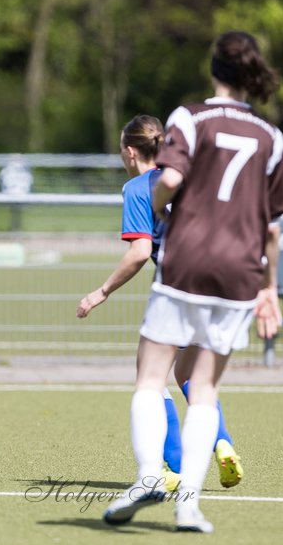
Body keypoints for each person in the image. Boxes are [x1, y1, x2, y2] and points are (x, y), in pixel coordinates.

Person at [102, 30, 283, 534]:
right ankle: (189, 505)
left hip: (187, 260)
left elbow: (168, 180)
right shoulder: (271, 136)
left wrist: (161, 210)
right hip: (240, 272)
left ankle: (147, 477)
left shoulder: (190, 117)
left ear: (213, 70)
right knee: (203, 387)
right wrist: (268, 288)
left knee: (150, 374)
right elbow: (272, 225)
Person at [76, 115, 242, 494]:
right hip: (218, 281)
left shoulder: (138, 187)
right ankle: (222, 442)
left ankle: (174, 467)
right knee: (190, 376)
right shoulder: (189, 175)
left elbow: (139, 252)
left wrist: (101, 291)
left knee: (151, 380)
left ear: (130, 151)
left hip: (179, 284)